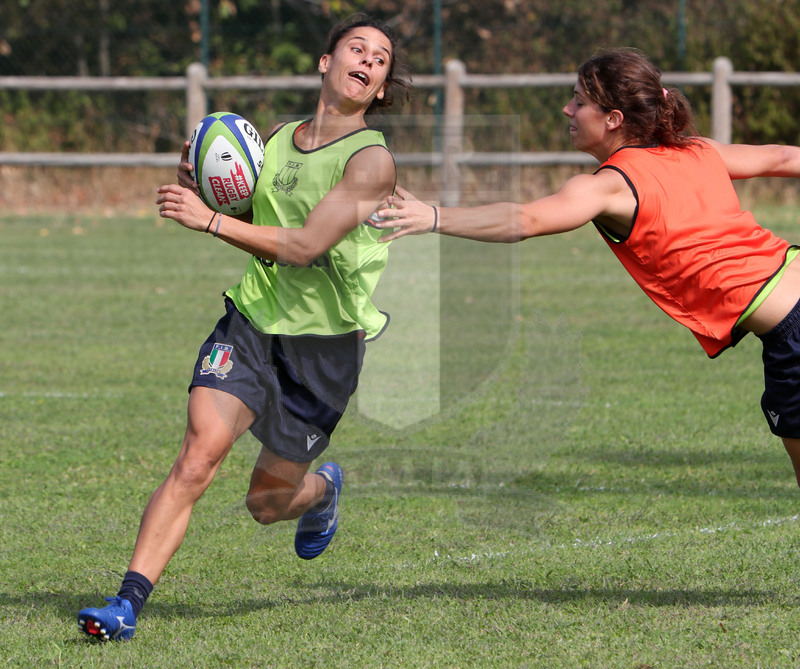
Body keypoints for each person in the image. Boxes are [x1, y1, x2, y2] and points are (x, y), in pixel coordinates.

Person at [77, 14, 410, 641]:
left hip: (323, 352)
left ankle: (321, 491)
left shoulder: (372, 164)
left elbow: (305, 245)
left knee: (266, 504)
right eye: (356, 49)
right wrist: (206, 186)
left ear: (382, 88)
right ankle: (125, 605)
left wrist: (209, 221)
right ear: (325, 61)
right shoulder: (280, 139)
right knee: (198, 456)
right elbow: (256, 226)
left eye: (381, 59)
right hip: (253, 323)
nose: (367, 61)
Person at [374, 47, 800, 487]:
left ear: (613, 118)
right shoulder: (695, 150)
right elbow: (786, 159)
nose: (568, 109)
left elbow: (526, 219)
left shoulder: (612, 186)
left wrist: (434, 216)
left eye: (579, 100)